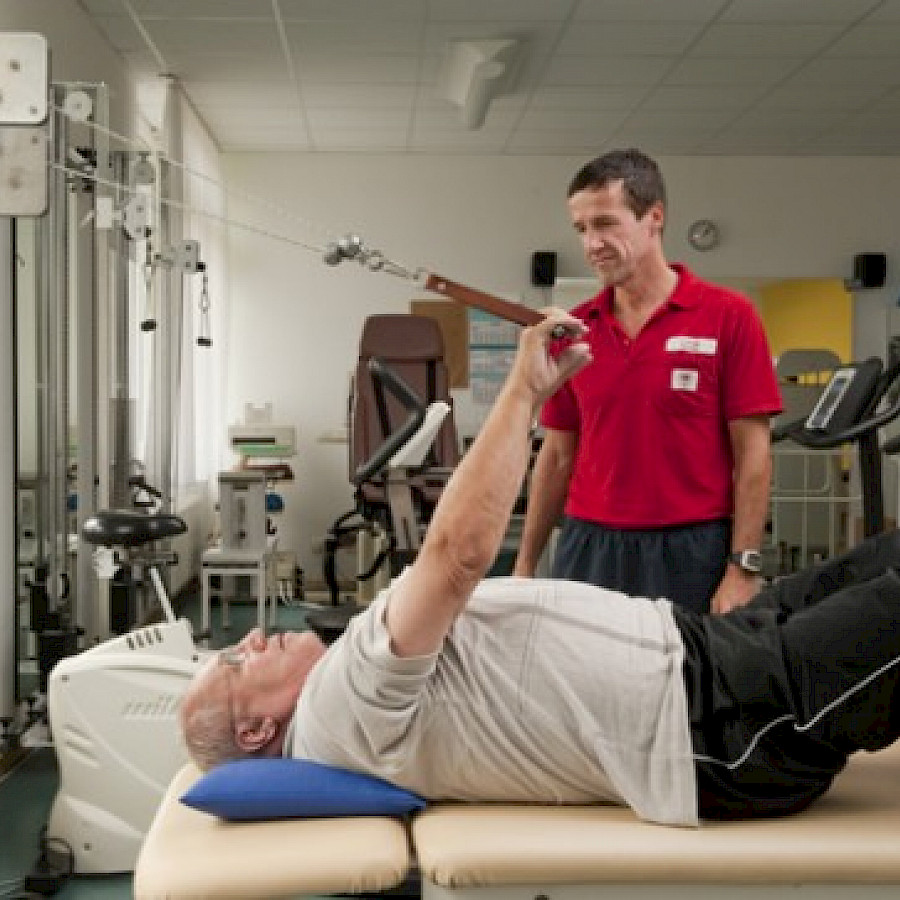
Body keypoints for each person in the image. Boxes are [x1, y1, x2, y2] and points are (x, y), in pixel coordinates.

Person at [180, 311, 900, 826]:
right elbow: (458, 557)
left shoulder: (344, 689)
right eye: (235, 666)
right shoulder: (335, 709)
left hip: (707, 653)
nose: (248, 642)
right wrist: (523, 394)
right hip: (720, 724)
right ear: (256, 732)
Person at [513, 149, 783, 615]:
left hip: (692, 548)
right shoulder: (575, 329)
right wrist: (524, 566)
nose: (591, 243)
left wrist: (743, 566)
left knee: (686, 684)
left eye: (604, 223)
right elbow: (557, 456)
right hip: (588, 543)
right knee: (581, 685)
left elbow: (753, 454)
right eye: (581, 229)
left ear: (653, 218)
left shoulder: (729, 317)